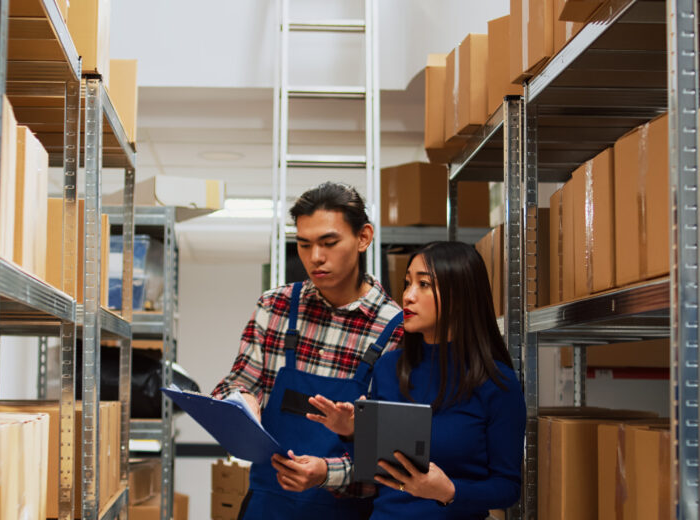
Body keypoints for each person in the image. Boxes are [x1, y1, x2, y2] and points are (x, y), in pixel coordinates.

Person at [279, 241, 526, 519]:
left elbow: (507, 487)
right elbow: (375, 471)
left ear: (460, 296)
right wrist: (350, 431)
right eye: (407, 283)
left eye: (423, 285)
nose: (407, 296)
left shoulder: (497, 382)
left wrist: (449, 492)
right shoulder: (389, 368)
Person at [212, 182, 405, 520]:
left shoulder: (397, 329)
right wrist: (239, 400)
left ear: (363, 237)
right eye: (304, 244)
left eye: (329, 243)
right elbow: (238, 382)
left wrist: (326, 473)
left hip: (345, 510)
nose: (315, 257)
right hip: (266, 504)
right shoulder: (276, 306)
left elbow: (395, 450)